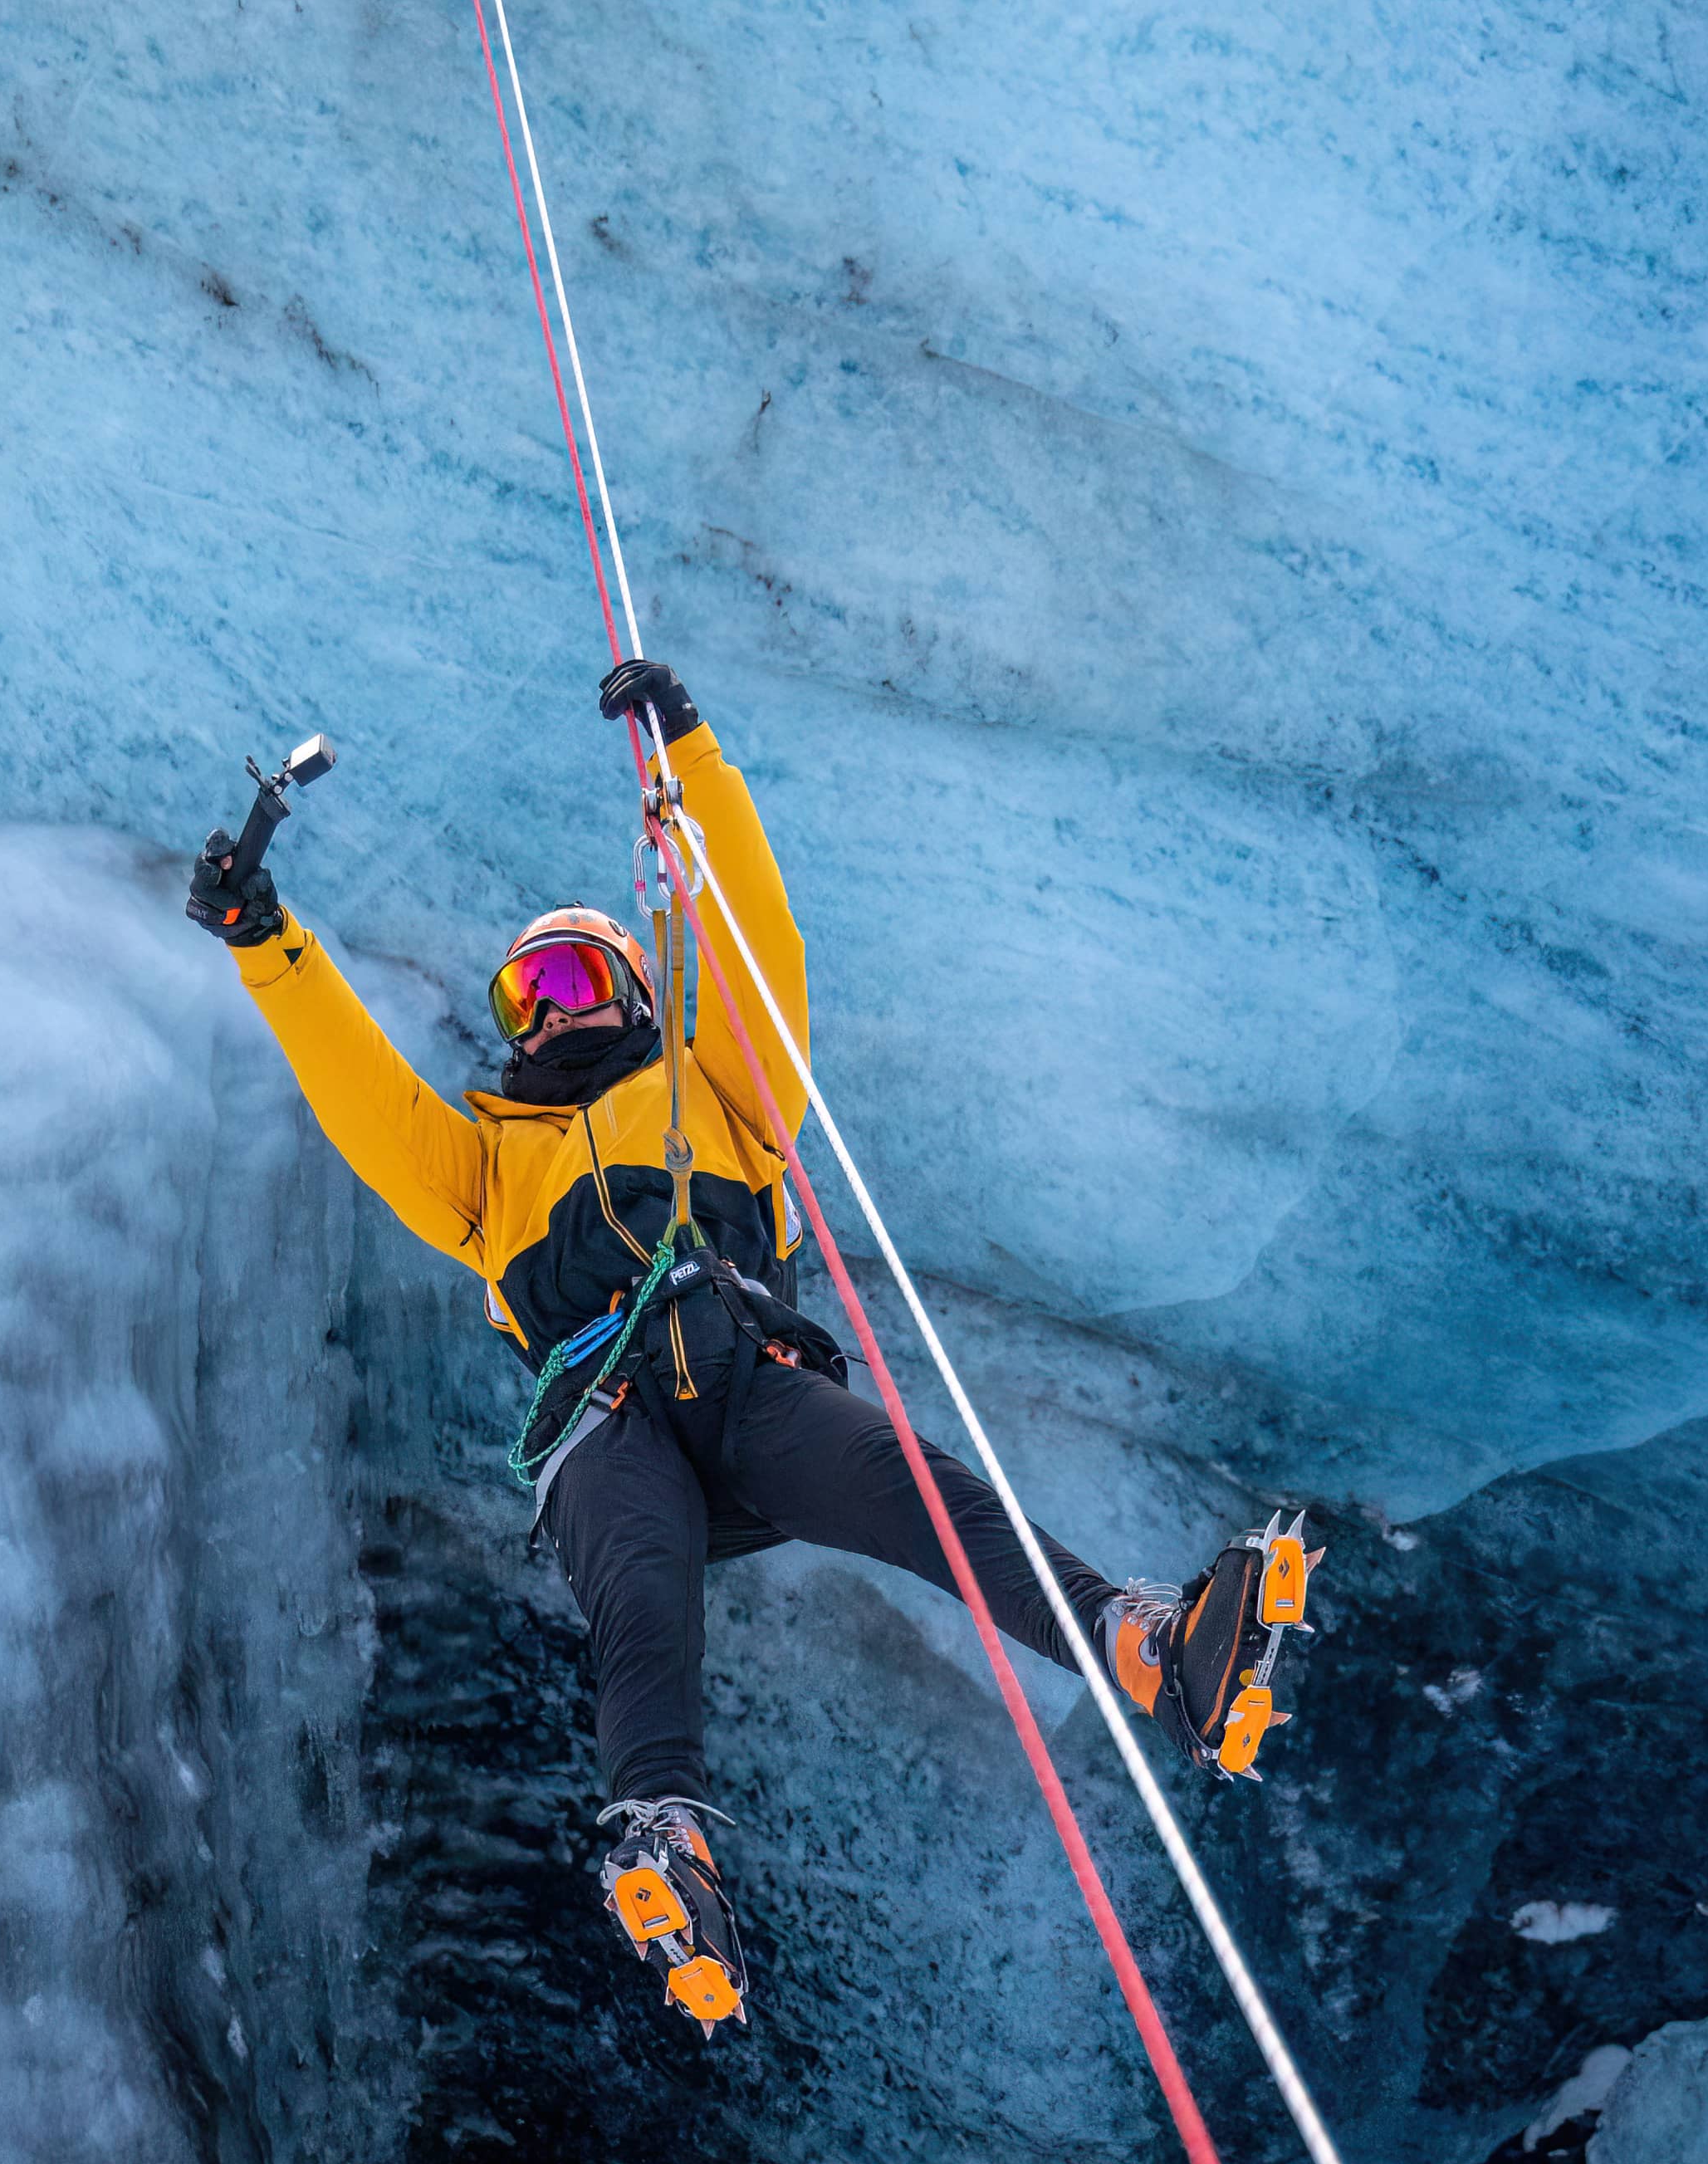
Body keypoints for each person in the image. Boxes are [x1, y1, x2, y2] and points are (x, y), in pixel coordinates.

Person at [188, 654, 1308, 2031]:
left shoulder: (715, 1088)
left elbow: (754, 946)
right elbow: (360, 1093)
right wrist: (267, 945)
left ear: (632, 986)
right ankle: (666, 1840)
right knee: (642, 1613)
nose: (550, 1008)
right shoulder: (486, 1168)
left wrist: (692, 763)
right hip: (604, 1415)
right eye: (523, 992)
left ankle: (1147, 1652)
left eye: (572, 973)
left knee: (926, 1496)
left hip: (739, 1372)